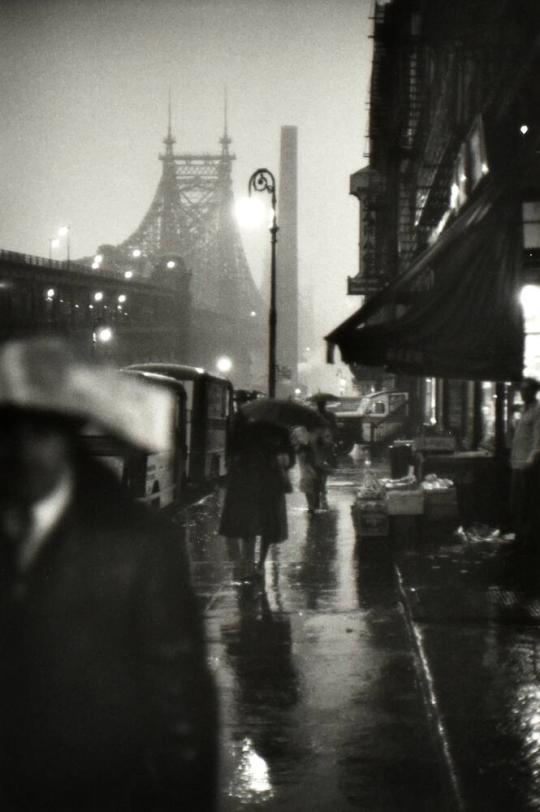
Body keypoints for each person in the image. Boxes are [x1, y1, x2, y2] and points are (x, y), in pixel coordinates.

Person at [0, 337, 218, 811]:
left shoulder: (136, 545)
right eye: (7, 434)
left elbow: (178, 697)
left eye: (37, 434)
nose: (20, 453)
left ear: (66, 437)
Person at [219, 413, 295, 579]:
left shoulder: (245, 430)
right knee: (264, 525)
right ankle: (256, 564)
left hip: (252, 484)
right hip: (266, 485)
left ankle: (249, 564)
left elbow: (232, 455)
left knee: (253, 526)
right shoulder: (277, 432)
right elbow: (291, 458)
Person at [510, 377, 540, 549]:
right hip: (517, 463)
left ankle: (526, 541)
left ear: (534, 391)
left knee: (526, 503)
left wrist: (530, 463)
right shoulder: (524, 410)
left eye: (526, 389)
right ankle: (520, 537)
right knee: (517, 503)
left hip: (527, 466)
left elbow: (537, 442)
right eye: (521, 389)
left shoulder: (537, 411)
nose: (522, 392)